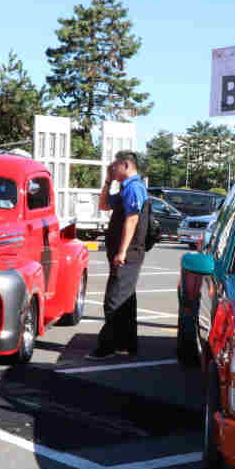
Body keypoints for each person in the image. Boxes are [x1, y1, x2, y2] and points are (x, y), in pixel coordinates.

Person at [88, 150, 150, 360]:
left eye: (114, 166)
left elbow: (132, 220)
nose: (112, 169)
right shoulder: (126, 187)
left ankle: (108, 346)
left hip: (128, 253)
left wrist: (122, 251)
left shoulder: (134, 187)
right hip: (125, 253)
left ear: (125, 165)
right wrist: (107, 181)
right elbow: (104, 205)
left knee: (113, 300)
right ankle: (127, 344)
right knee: (125, 300)